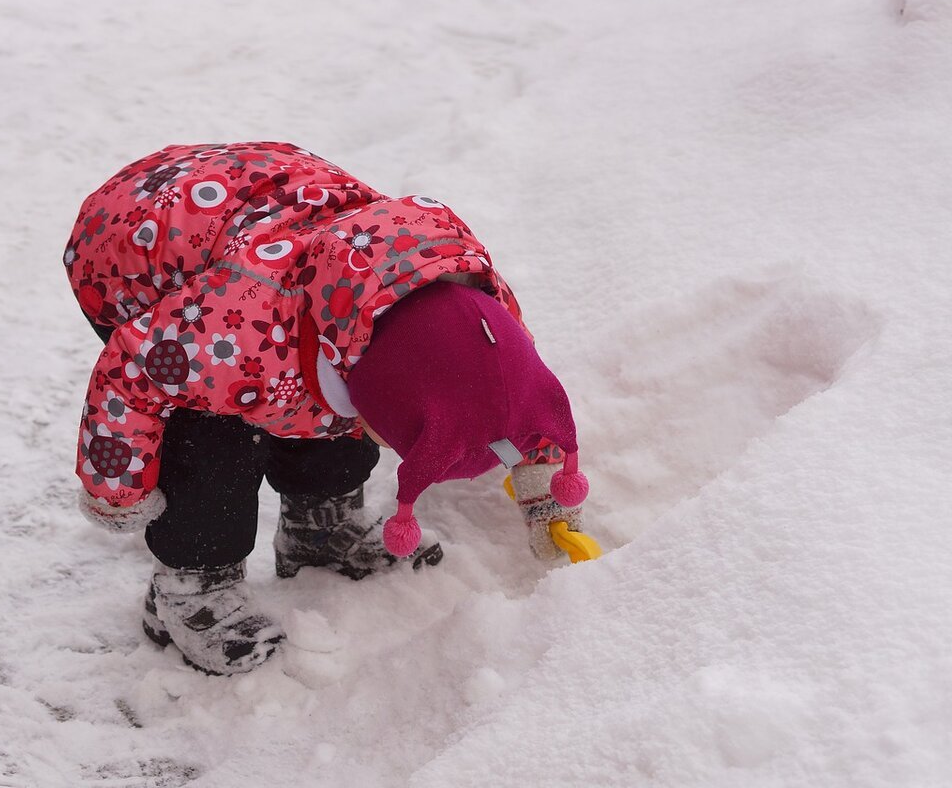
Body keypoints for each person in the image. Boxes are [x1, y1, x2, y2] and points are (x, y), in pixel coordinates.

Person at [64, 142, 589, 675]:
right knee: (212, 440)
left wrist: (545, 489)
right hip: (131, 246)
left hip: (287, 247)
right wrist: (118, 489)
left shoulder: (478, 304)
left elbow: (510, 398)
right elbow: (129, 370)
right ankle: (190, 587)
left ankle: (319, 528)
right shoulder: (234, 331)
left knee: (330, 422)